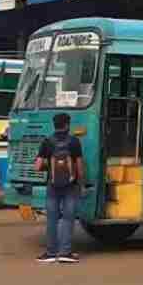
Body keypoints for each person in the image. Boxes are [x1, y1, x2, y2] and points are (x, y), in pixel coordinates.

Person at [34, 113, 86, 264]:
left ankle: (50, 253)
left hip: (52, 184)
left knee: (52, 219)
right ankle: (65, 252)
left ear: (54, 125)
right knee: (68, 219)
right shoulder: (74, 142)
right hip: (70, 185)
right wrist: (81, 183)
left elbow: (37, 166)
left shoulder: (47, 142)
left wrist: (49, 167)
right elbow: (80, 167)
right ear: (67, 125)